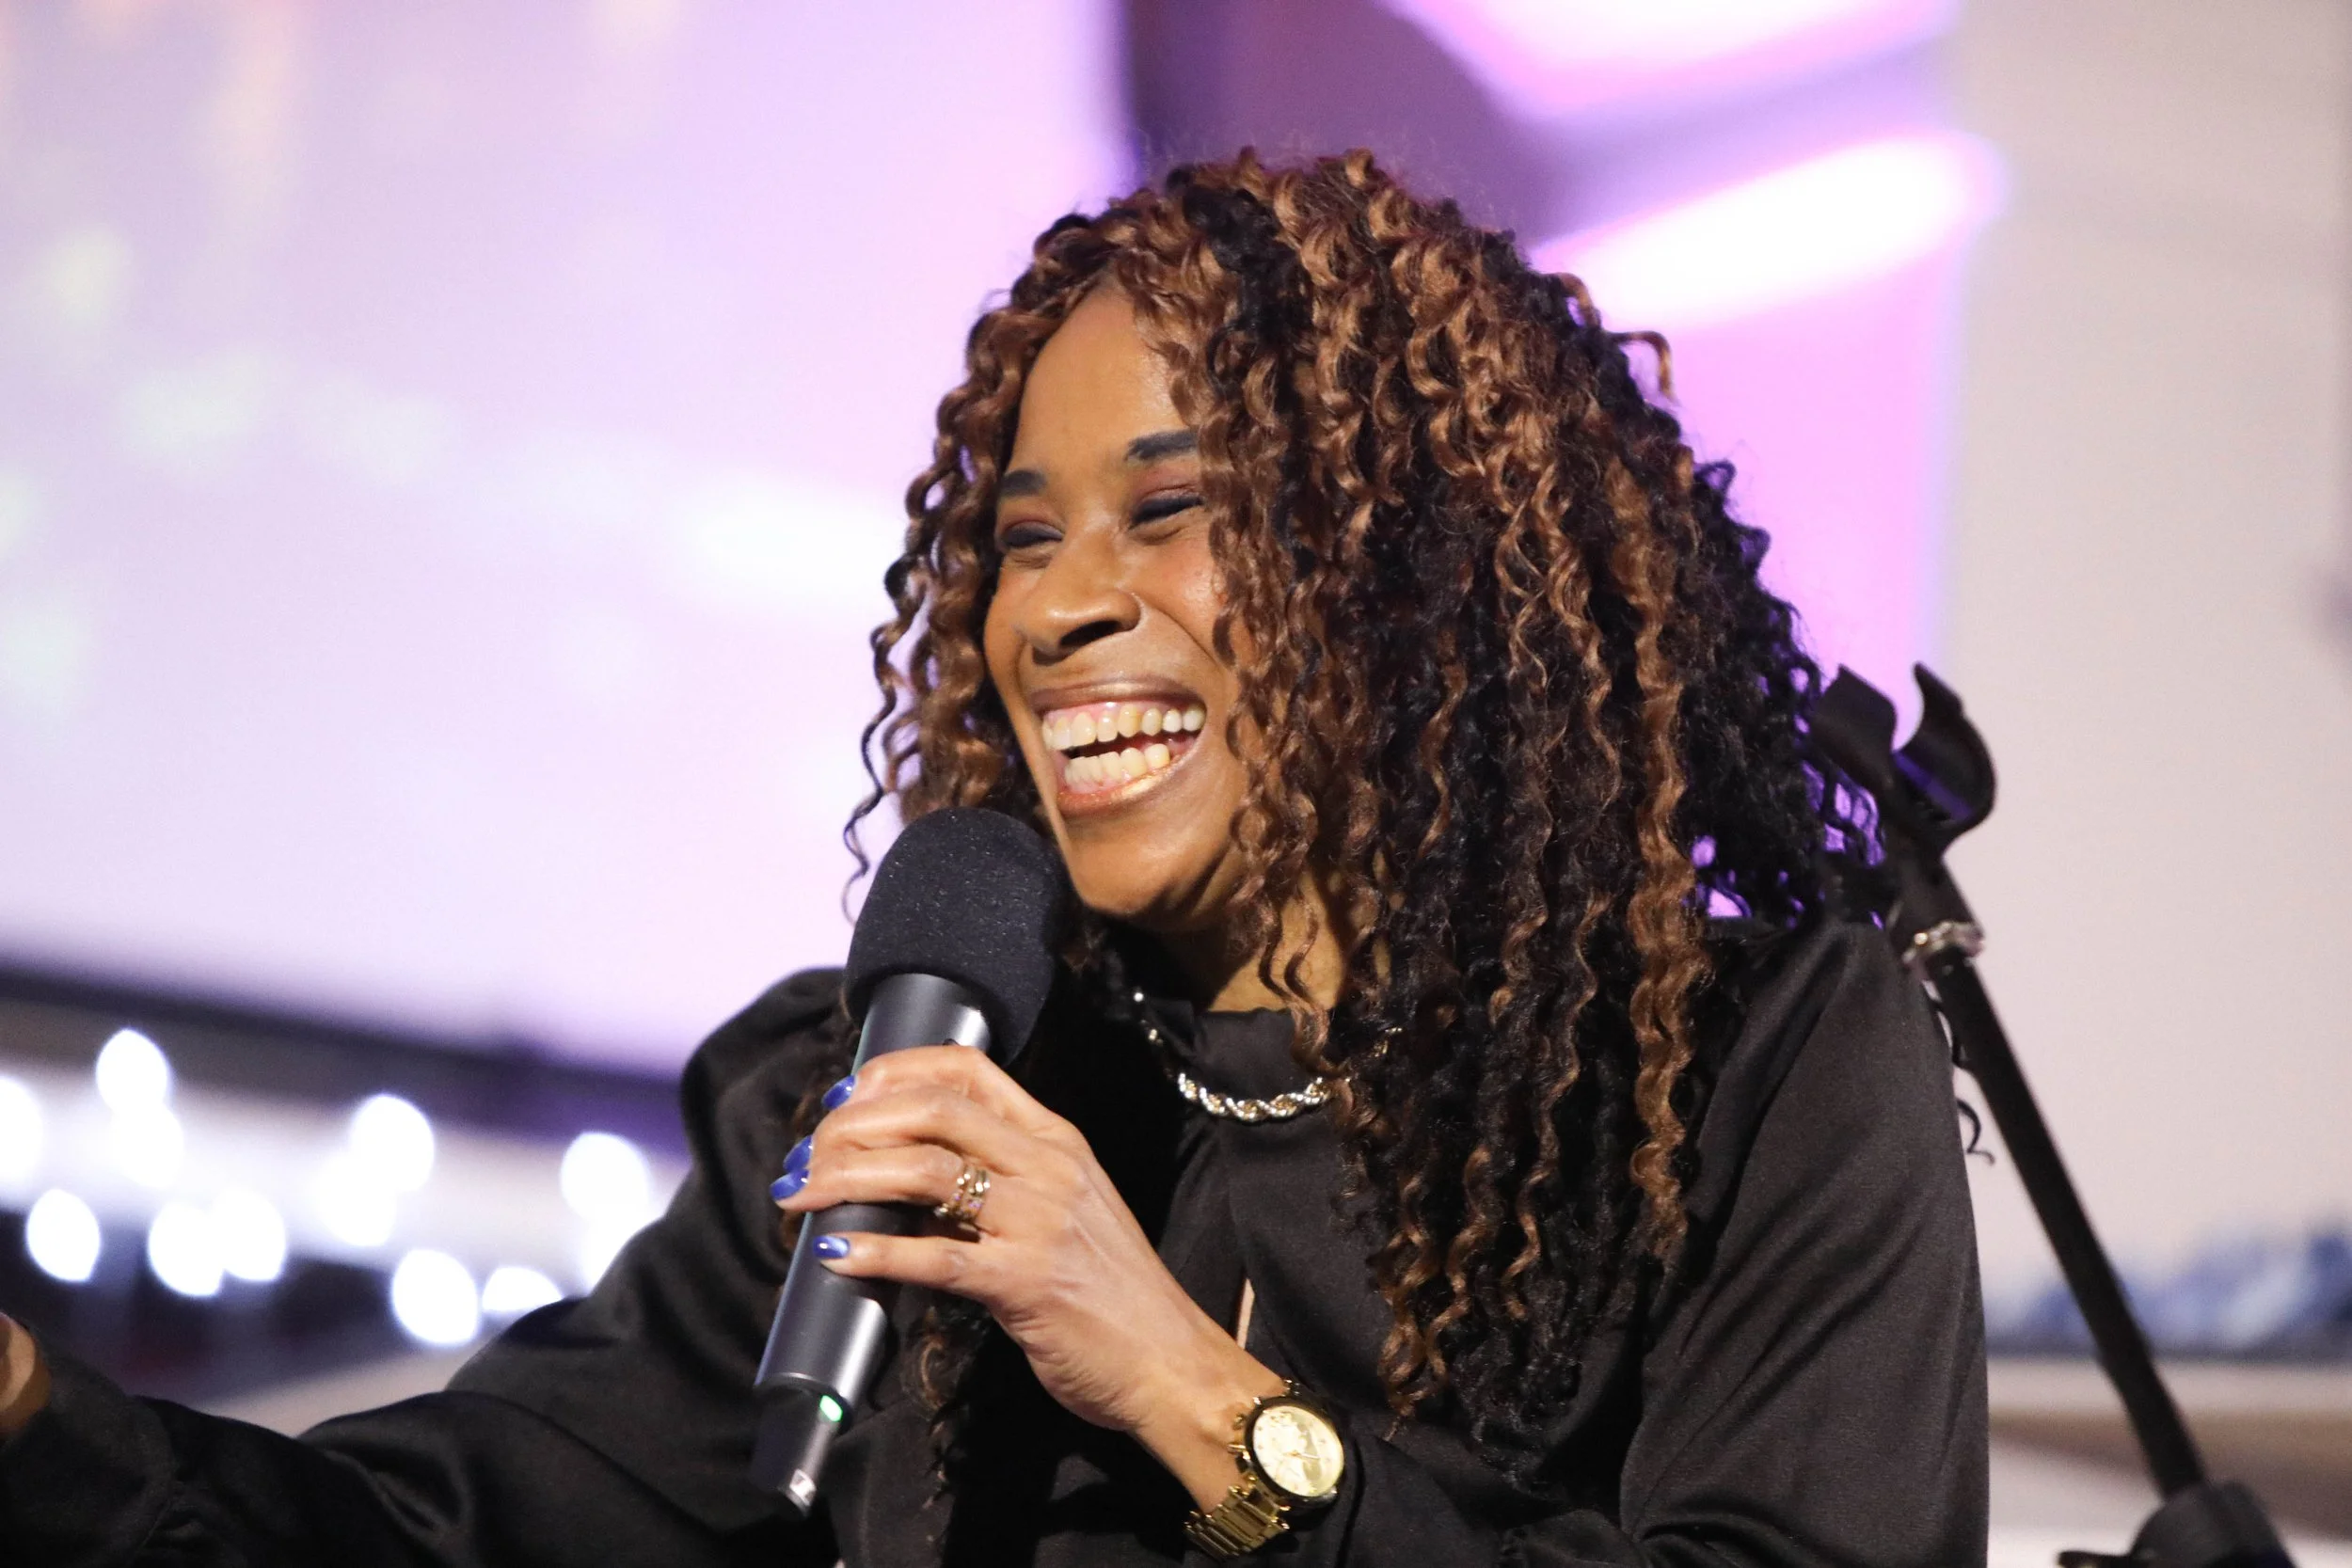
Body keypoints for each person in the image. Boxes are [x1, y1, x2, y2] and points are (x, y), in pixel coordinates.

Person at [0, 150, 1986, 1566]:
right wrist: (33, 1421)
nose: (1054, 610)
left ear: (1415, 576)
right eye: (1024, 538)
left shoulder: (1744, 1079)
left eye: (1168, 510)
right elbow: (434, 1524)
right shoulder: (899, 1102)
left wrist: (1178, 1381)